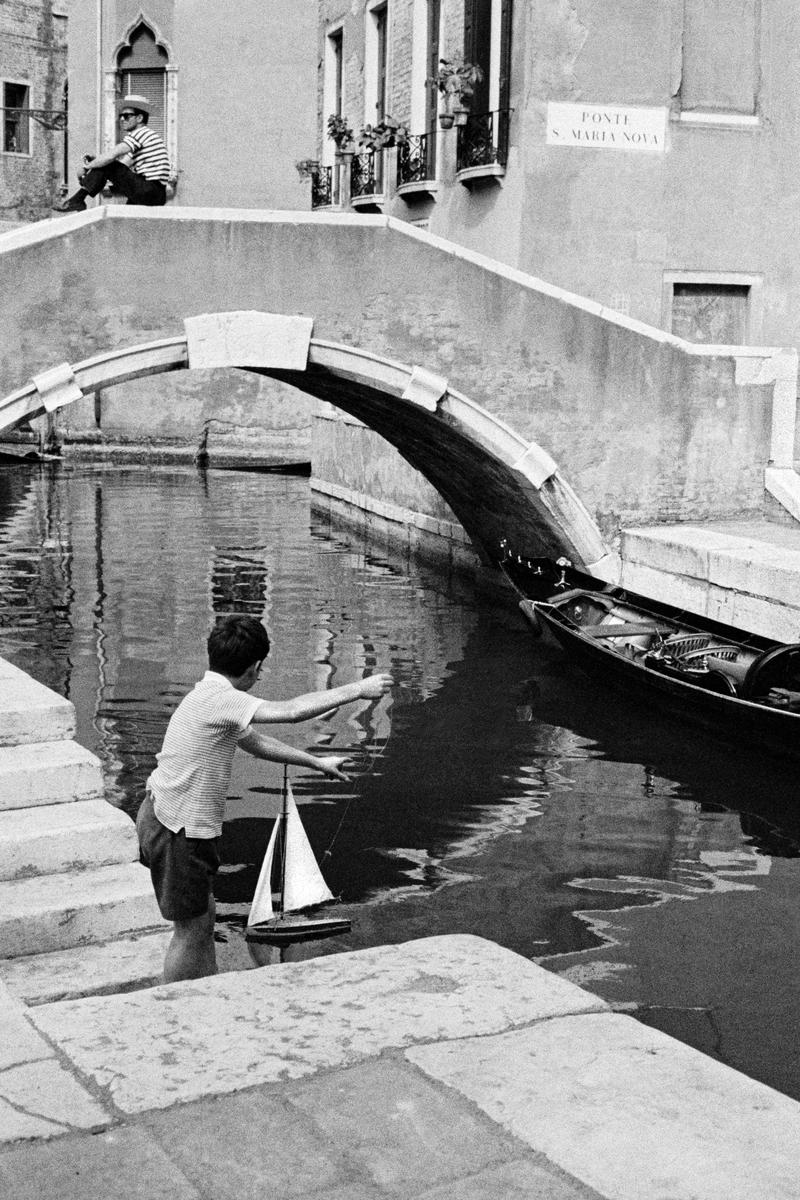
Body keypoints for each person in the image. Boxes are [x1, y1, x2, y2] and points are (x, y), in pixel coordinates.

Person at [136, 613, 393, 983]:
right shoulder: (222, 701)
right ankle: (176, 1003)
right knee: (190, 930)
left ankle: (205, 988)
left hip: (163, 816)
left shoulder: (209, 696)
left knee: (202, 916)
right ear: (255, 667)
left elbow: (254, 742)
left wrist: (316, 762)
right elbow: (289, 712)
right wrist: (356, 689)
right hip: (180, 831)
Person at [54, 94, 171, 213]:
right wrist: (95, 162)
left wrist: (87, 167)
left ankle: (78, 199)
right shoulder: (147, 137)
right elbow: (121, 166)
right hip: (154, 194)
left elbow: (111, 157)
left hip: (149, 190)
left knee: (107, 164)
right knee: (127, 223)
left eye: (126, 116)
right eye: (121, 116)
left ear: (139, 118)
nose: (121, 119)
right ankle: (78, 199)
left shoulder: (141, 133)